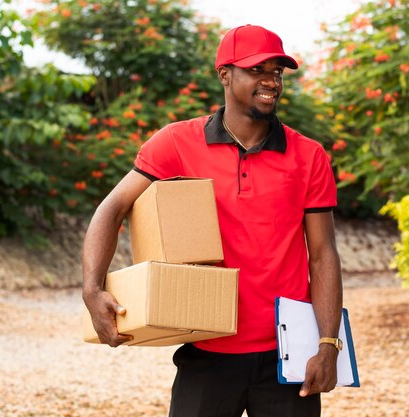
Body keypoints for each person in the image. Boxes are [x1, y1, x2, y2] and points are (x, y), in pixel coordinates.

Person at [82, 24, 343, 417]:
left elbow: (323, 254)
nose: (271, 80)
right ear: (225, 74)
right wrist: (91, 289)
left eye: (277, 71)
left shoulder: (309, 155)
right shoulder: (175, 143)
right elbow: (112, 207)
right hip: (207, 349)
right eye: (258, 70)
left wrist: (328, 344)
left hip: (287, 356)